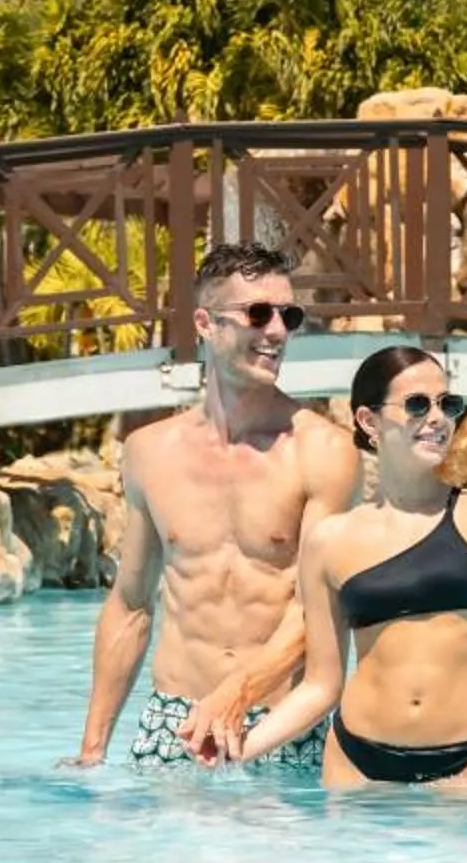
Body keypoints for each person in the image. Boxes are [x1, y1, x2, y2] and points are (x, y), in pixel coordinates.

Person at [67, 240, 363, 771]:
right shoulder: (149, 452)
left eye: (289, 316)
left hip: (280, 725)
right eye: (258, 313)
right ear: (205, 323)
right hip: (173, 721)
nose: (277, 331)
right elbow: (131, 604)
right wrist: (92, 751)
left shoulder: (323, 452)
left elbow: (319, 610)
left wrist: (238, 693)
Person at [229, 346, 467, 793]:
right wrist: (237, 750)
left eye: (448, 404)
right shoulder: (329, 541)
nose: (438, 418)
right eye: (417, 405)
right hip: (356, 763)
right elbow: (320, 686)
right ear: (369, 421)